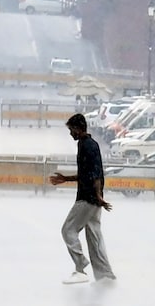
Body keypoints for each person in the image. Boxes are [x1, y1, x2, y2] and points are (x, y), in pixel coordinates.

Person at [48, 113, 115, 285]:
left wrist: (98, 195)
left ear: (78, 129)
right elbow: (87, 173)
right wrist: (66, 179)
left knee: (68, 230)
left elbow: (96, 173)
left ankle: (80, 267)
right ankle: (105, 274)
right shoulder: (88, 144)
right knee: (94, 236)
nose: (70, 134)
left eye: (71, 130)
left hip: (87, 197)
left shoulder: (87, 146)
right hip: (93, 197)